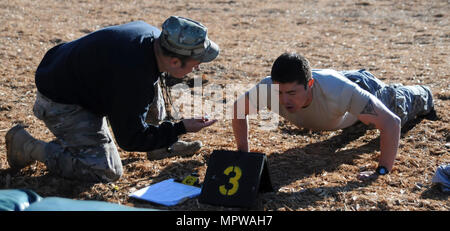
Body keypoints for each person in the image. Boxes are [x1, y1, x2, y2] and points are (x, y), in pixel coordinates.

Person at [5, 16, 219, 182]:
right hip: (63, 102)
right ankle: (27, 145)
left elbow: (140, 83)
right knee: (105, 170)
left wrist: (167, 132)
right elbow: (130, 139)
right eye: (196, 61)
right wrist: (180, 128)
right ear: (174, 60)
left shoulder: (156, 41)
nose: (198, 67)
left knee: (150, 82)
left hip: (83, 79)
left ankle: (159, 146)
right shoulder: (131, 77)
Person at [232, 52, 436, 179]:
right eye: (280, 93)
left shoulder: (340, 92)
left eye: (292, 93)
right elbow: (237, 109)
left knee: (404, 102)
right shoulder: (267, 88)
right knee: (352, 120)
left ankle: (424, 91)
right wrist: (245, 155)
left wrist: (381, 170)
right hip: (339, 101)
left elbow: (391, 123)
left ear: (309, 85)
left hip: (365, 87)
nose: (284, 101)